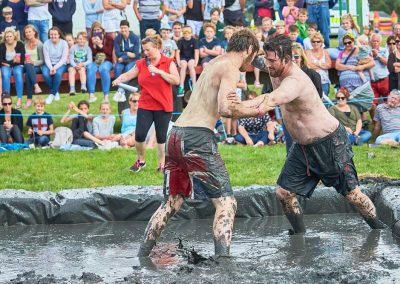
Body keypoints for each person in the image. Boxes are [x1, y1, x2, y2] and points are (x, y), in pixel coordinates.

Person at [228, 34, 385, 235]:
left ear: (287, 58)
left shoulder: (295, 81)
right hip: (302, 147)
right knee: (283, 193)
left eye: (272, 60)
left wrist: (235, 107)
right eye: (266, 59)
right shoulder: (272, 65)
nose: (267, 64)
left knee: (353, 195)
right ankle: (299, 234)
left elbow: (270, 100)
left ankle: (379, 230)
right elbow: (249, 59)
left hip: (330, 144)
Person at [136, 28, 259, 258]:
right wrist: (258, 107)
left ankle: (142, 253)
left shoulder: (213, 63)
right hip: (197, 138)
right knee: (226, 203)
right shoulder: (231, 67)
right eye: (254, 56)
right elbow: (225, 108)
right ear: (249, 50)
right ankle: (223, 263)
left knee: (171, 202)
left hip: (176, 134)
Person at [112, 35, 180, 172]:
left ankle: (162, 164)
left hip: (163, 106)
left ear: (156, 47)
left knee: (161, 138)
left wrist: (159, 71)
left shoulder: (168, 62)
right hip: (146, 105)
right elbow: (128, 74)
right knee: (140, 135)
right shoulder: (142, 63)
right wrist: (119, 79)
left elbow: (176, 80)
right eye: (144, 50)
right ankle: (141, 161)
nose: (145, 53)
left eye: (148, 50)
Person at [87, 21, 114, 102]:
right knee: (90, 68)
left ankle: (106, 95)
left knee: (103, 69)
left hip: (107, 60)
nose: (96, 32)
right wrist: (94, 46)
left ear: (102, 30)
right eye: (94, 30)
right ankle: (91, 94)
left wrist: (100, 45)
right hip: (95, 60)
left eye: (98, 29)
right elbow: (90, 54)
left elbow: (109, 52)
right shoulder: (91, 39)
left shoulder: (108, 38)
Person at [42, 26, 68, 105]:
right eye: (51, 34)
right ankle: (56, 92)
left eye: (55, 34)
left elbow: (64, 58)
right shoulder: (46, 43)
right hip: (49, 64)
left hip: (61, 64)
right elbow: (46, 58)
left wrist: (55, 68)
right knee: (45, 74)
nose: (53, 36)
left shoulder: (64, 43)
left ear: (59, 34)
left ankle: (51, 94)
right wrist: (51, 68)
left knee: (58, 74)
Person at [0, 27, 25, 109]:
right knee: (5, 74)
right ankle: (6, 99)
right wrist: (12, 62)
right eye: (7, 37)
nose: (9, 38)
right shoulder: (2, 45)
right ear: (5, 37)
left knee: (18, 73)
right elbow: (1, 60)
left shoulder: (20, 44)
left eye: (10, 36)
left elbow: (21, 60)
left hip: (16, 65)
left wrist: (9, 63)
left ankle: (19, 99)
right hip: (5, 66)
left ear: (14, 36)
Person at [23, 24, 43, 109]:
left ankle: (29, 100)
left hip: (36, 66)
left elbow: (42, 60)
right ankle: (36, 86)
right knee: (27, 64)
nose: (28, 34)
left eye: (30, 32)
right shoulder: (24, 43)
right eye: (26, 32)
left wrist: (33, 62)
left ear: (34, 32)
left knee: (28, 75)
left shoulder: (40, 44)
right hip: (25, 65)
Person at [369, 33, 389, 118]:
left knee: (389, 102)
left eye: (377, 41)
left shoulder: (384, 50)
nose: (375, 43)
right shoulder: (367, 51)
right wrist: (370, 56)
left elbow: (388, 62)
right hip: (372, 82)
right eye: (374, 41)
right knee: (372, 105)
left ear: (380, 42)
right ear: (370, 42)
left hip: (384, 80)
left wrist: (378, 55)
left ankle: (388, 122)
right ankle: (375, 124)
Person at [305, 32, 331, 96]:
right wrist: (322, 65)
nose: (316, 43)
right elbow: (309, 66)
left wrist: (316, 65)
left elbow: (329, 65)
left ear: (321, 42)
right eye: (313, 41)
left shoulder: (325, 52)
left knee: (325, 101)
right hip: (312, 81)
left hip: (324, 80)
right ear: (311, 43)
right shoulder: (308, 52)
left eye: (318, 41)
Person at [176, 25, 199, 97]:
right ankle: (181, 86)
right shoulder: (180, 41)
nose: (186, 34)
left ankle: (194, 85)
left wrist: (196, 61)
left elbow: (196, 51)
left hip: (191, 57)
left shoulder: (194, 40)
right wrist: (178, 61)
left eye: (188, 32)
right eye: (184, 32)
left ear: (191, 33)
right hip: (183, 57)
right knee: (183, 65)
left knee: (191, 65)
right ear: (182, 33)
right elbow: (177, 52)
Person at [68, 32, 92, 96]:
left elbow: (90, 60)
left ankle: (83, 86)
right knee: (71, 71)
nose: (82, 40)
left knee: (82, 70)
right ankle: (72, 89)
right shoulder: (73, 48)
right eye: (80, 39)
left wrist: (82, 64)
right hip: (73, 64)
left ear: (86, 40)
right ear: (77, 40)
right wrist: (75, 65)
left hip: (82, 64)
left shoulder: (88, 48)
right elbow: (71, 59)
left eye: (84, 39)